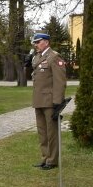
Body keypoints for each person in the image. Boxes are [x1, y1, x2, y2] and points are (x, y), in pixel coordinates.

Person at [30, 33, 67, 170]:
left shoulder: (54, 57)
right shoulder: (37, 57)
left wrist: (58, 102)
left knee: (51, 132)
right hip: (39, 100)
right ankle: (45, 157)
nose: (36, 44)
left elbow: (60, 81)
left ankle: (52, 160)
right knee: (42, 132)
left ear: (46, 42)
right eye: (35, 42)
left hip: (50, 101)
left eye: (38, 42)